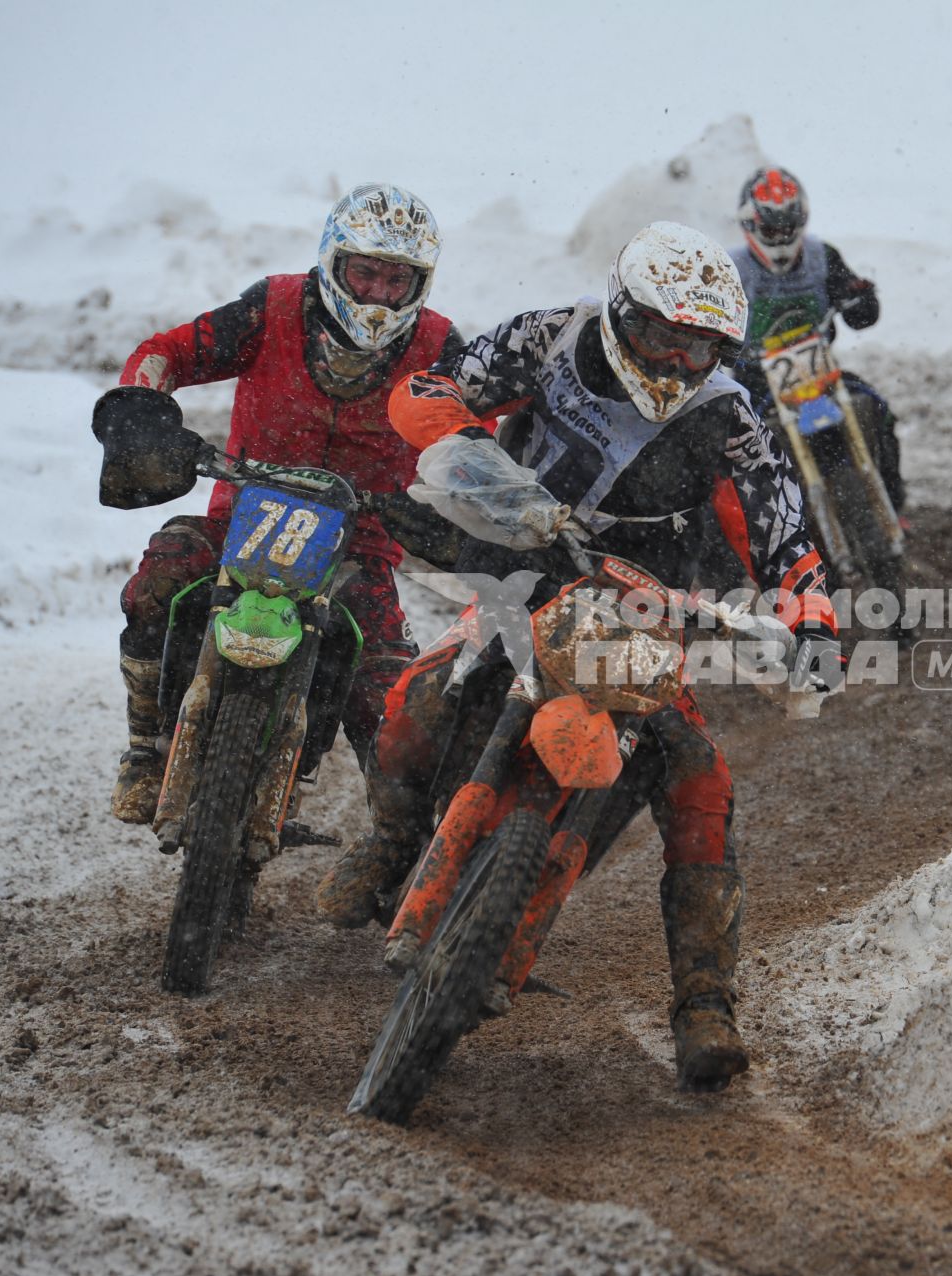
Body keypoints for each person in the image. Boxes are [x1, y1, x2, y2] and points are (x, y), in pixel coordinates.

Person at [314, 221, 839, 1092]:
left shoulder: (730, 413)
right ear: (623, 311)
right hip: (525, 570)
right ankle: (390, 839)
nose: (675, 363)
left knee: (701, 778)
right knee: (420, 695)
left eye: (698, 346)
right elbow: (431, 388)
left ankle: (705, 1002)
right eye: (661, 337)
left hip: (647, 611)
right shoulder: (549, 337)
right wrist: (462, 446)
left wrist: (812, 621)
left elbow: (788, 535)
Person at [102, 184, 467, 824]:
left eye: (397, 280)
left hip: (361, 546)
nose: (379, 293)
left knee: (392, 698)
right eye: (366, 272)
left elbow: (475, 430)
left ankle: (394, 845)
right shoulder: (271, 308)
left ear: (421, 285)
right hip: (238, 522)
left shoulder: (440, 348)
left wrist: (472, 492)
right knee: (154, 585)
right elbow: (169, 352)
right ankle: (144, 748)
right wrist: (142, 409)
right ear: (333, 262)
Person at [726, 165, 907, 519]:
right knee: (729, 453)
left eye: (787, 228)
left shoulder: (822, 257)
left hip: (818, 376)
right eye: (771, 228)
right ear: (751, 224)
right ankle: (752, 536)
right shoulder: (732, 269)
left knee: (877, 409)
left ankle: (892, 503)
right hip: (755, 382)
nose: (780, 237)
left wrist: (860, 298)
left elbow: (861, 312)